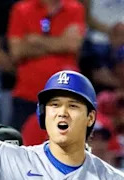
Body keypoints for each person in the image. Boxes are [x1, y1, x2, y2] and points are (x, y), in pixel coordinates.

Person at [6, 0, 87, 129]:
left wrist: (36, 40)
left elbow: (73, 45)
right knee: (22, 146)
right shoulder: (21, 9)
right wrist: (60, 43)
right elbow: (17, 52)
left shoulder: (75, 8)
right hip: (28, 95)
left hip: (66, 95)